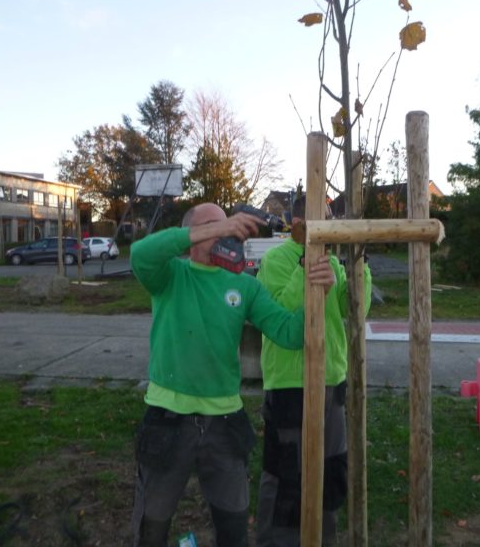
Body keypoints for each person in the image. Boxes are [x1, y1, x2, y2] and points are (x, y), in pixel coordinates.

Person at [129, 202, 335, 547]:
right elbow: (141, 252)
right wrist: (217, 228)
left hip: (225, 423)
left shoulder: (244, 285)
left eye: (228, 226)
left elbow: (288, 332)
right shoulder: (170, 276)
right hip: (167, 420)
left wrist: (314, 287)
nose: (227, 233)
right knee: (152, 527)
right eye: (213, 227)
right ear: (193, 236)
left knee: (234, 529)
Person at [255, 196, 372, 546]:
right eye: (320, 219)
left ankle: (322, 536)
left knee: (329, 468)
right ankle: (277, 540)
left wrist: (358, 268)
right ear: (296, 222)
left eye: (332, 218)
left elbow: (356, 310)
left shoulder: (336, 262)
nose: (328, 226)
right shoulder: (275, 261)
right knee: (286, 473)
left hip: (331, 381)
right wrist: (305, 272)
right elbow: (279, 317)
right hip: (291, 384)